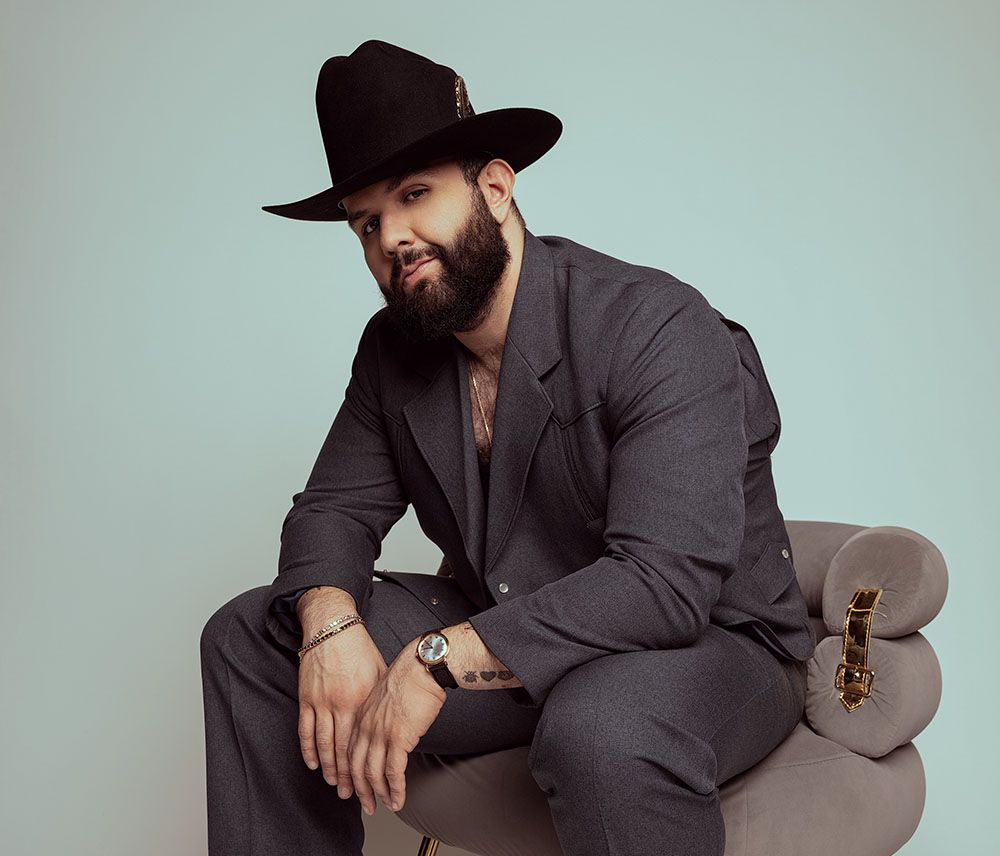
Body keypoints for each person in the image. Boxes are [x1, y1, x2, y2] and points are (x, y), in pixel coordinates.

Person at [200, 39, 816, 856]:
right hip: (513, 628)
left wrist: (439, 658)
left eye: (415, 195)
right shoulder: (393, 350)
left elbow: (664, 585)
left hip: (708, 645)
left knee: (601, 727)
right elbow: (332, 511)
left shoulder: (657, 326)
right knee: (252, 637)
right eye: (367, 222)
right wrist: (329, 619)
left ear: (495, 188)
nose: (392, 238)